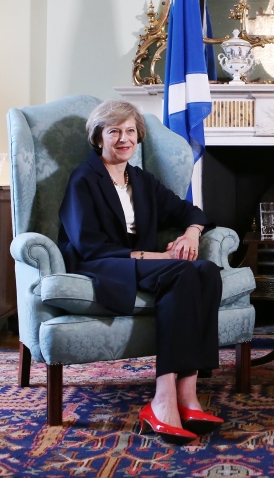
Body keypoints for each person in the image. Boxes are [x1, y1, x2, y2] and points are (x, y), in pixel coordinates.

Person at [58, 99, 223, 444]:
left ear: (138, 136)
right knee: (181, 272)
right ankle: (162, 398)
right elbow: (87, 244)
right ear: (98, 137)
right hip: (102, 262)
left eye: (130, 131)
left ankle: (188, 395)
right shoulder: (83, 179)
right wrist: (154, 256)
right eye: (114, 131)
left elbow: (190, 212)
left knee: (205, 271)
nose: (124, 138)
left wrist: (191, 233)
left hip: (143, 261)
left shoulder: (142, 180)